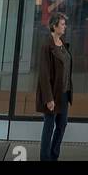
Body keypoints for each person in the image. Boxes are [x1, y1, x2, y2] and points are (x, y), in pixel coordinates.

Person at [36, 12, 73, 161]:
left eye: (64, 24)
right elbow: (44, 75)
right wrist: (49, 98)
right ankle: (45, 158)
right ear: (54, 26)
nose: (65, 27)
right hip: (52, 95)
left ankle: (53, 155)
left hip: (64, 93)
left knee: (62, 125)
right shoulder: (47, 46)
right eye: (62, 24)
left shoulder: (63, 44)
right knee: (49, 127)